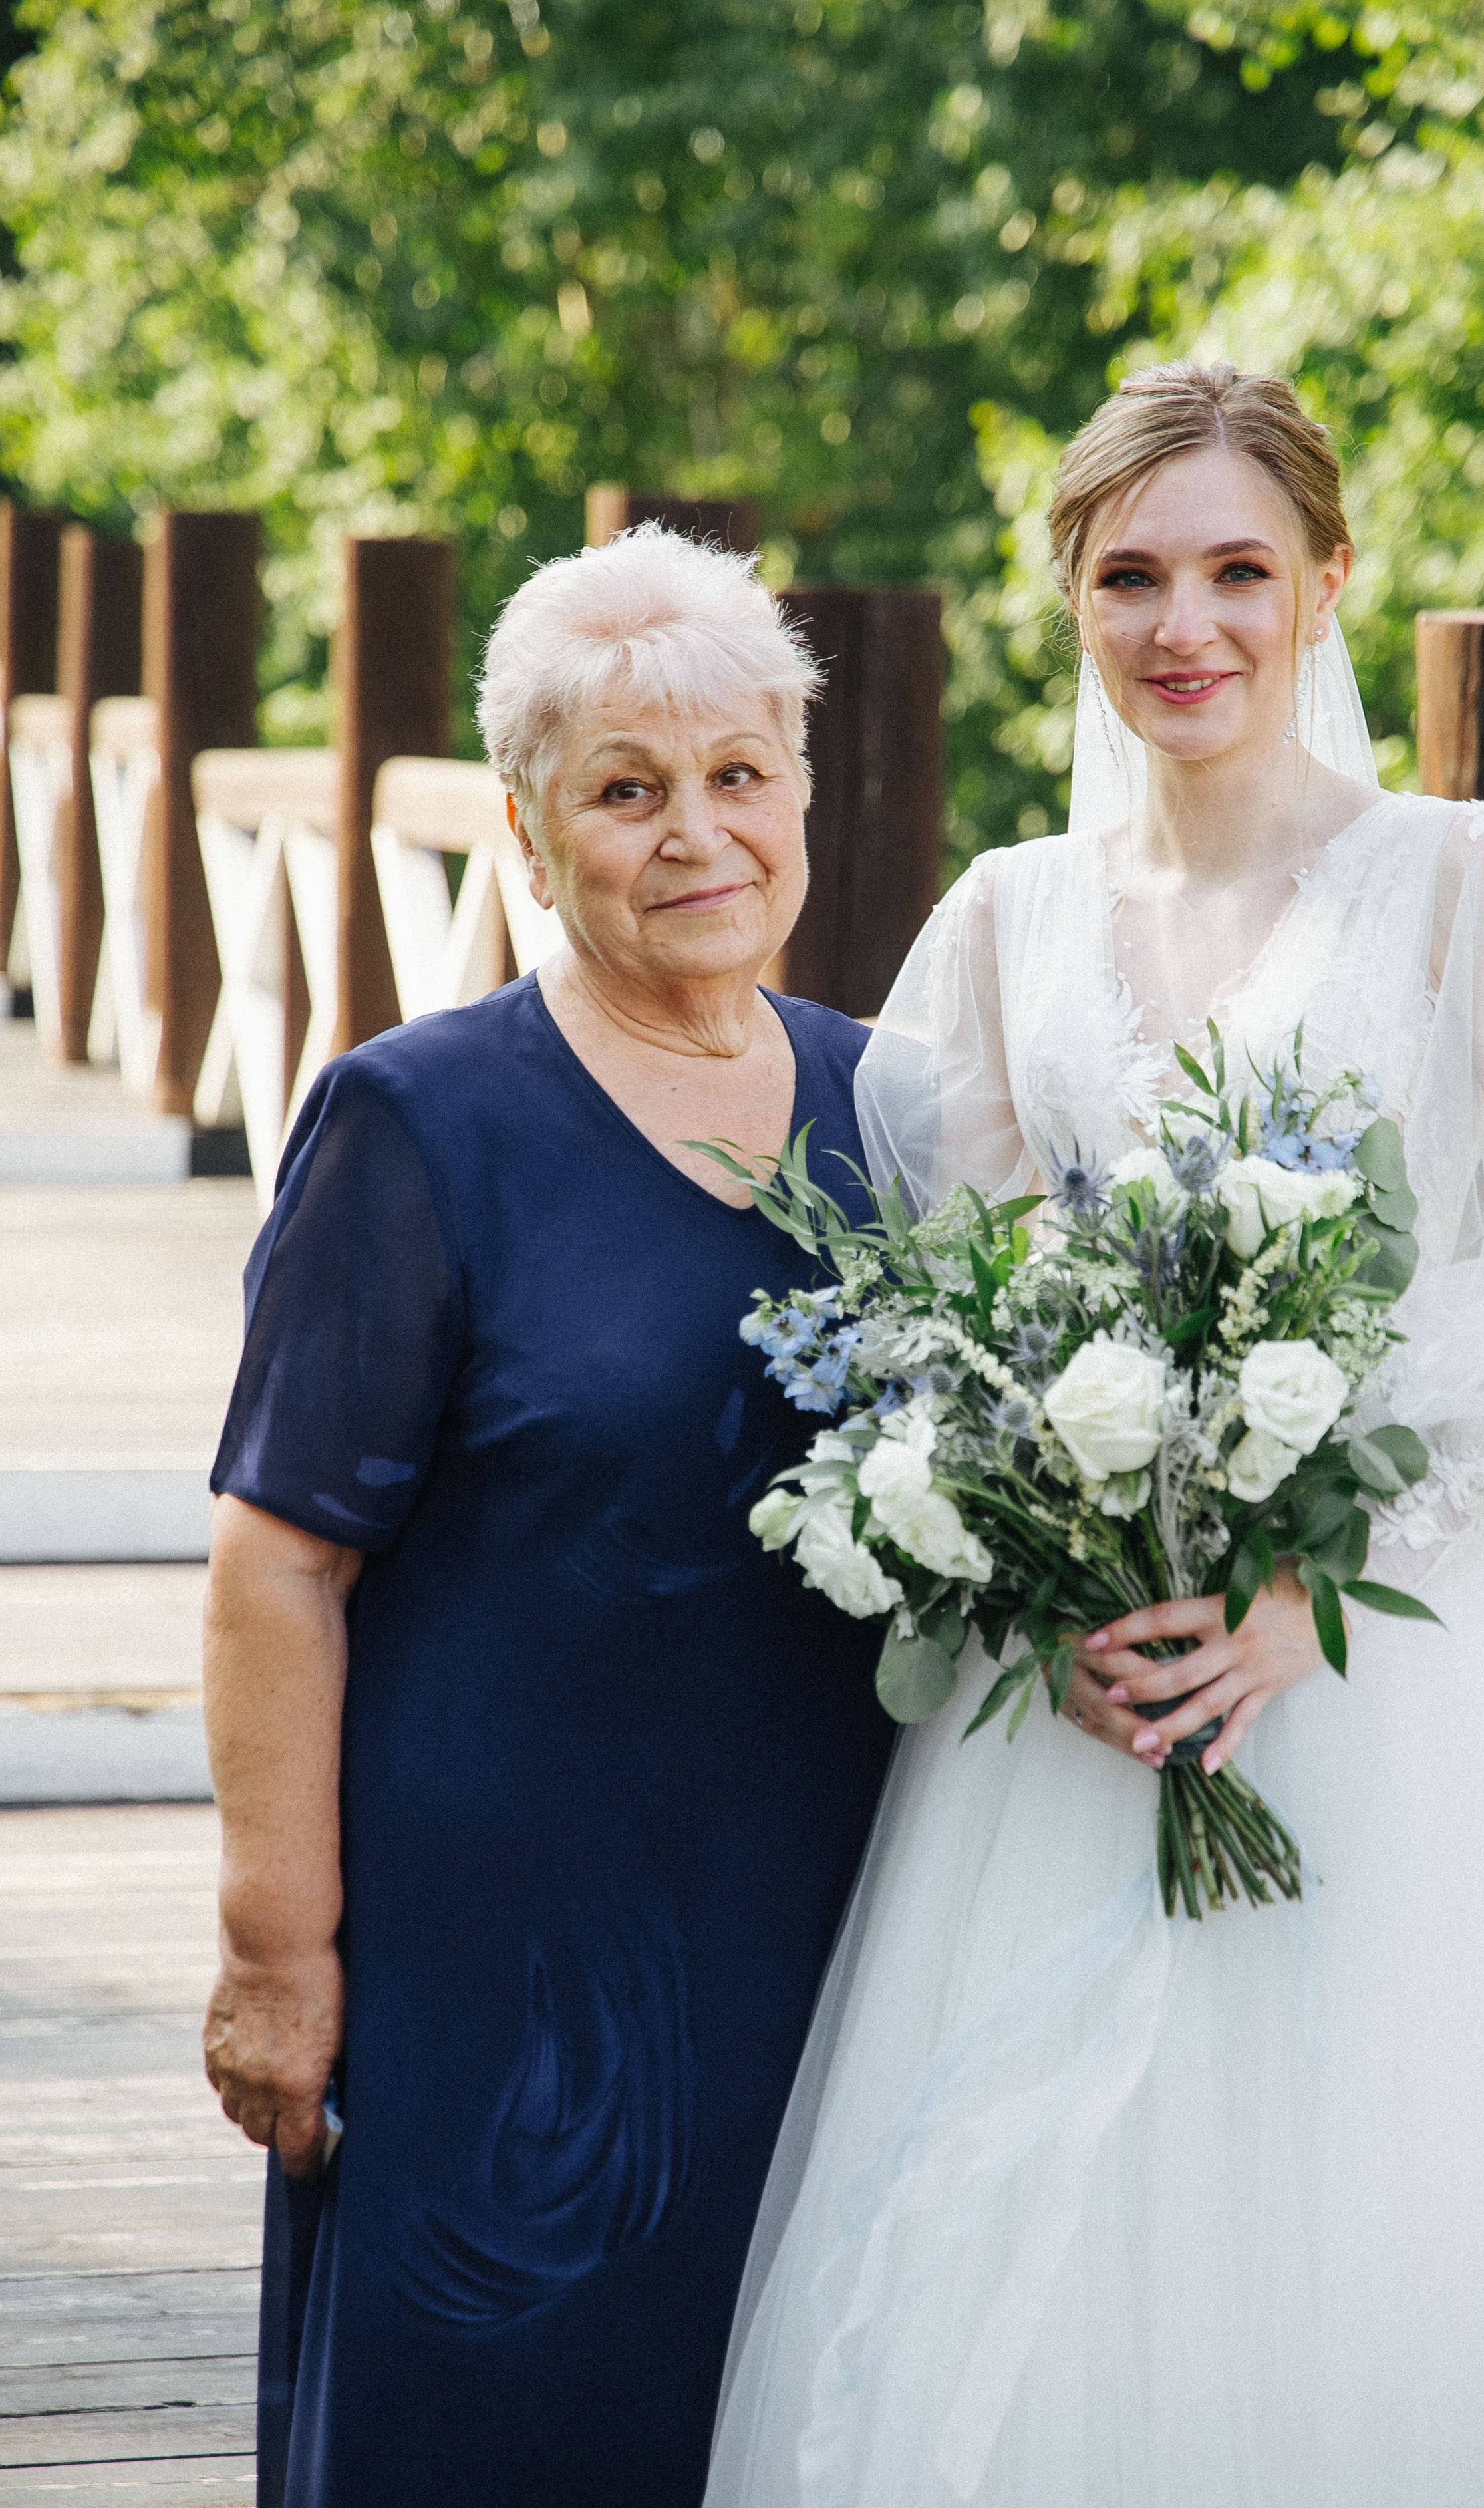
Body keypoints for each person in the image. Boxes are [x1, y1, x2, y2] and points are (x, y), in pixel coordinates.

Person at [706, 363, 1484, 2507]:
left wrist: (1299, 1585)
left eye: (1243, 570)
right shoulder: (997, 926)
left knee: (1426, 2243)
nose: (1191, 626)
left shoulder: (1473, 882)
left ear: (1329, 584)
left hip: (1433, 1669)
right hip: (1107, 1697)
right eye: (1134, 574)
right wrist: (1047, 1578)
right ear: (1070, 595)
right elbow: (956, 1332)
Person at [199, 527, 895, 2508]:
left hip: (839, 1951)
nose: (699, 835)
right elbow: (279, 1559)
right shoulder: (419, 1125)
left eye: (741, 776)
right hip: (501, 1993)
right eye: (626, 789)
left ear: (803, 793)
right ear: (527, 826)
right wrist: (278, 1949)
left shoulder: (905, 1114)